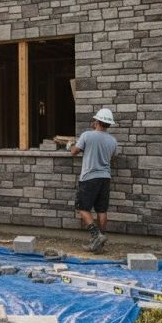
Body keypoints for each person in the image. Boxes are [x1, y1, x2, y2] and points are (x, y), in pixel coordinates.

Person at [70, 108, 118, 252]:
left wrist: (70, 145)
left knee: (82, 208)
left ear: (97, 121)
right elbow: (113, 157)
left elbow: (74, 152)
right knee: (101, 210)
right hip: (105, 178)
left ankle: (96, 235)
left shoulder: (87, 135)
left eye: (94, 120)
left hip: (89, 177)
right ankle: (100, 245)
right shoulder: (113, 141)